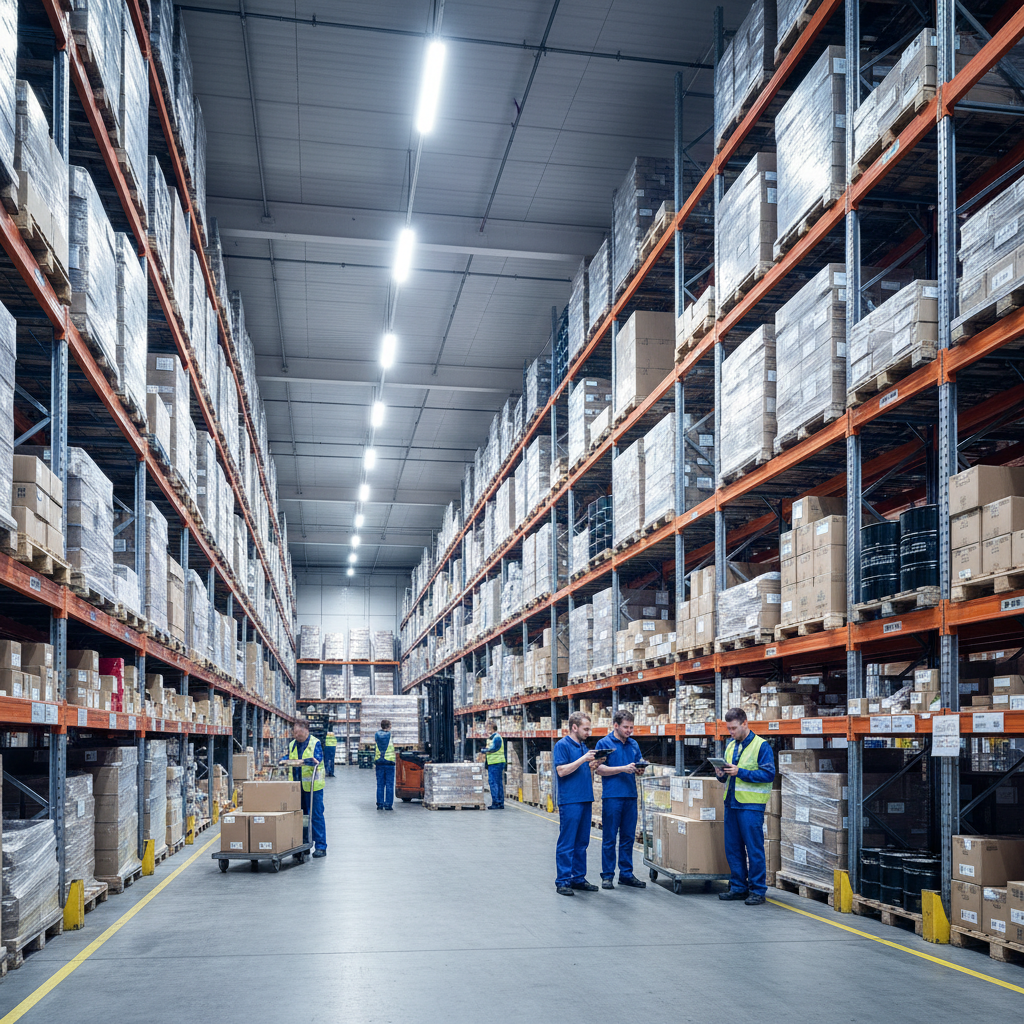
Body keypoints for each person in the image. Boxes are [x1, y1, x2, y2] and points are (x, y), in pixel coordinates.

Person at [714, 707, 775, 905]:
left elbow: (768, 775)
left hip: (751, 805)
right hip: (731, 803)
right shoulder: (731, 745)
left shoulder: (761, 746)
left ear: (745, 723)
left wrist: (740, 772)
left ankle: (758, 890)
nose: (730, 733)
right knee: (733, 847)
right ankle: (739, 886)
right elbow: (727, 777)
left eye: (733, 728)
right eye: (728, 729)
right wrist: (721, 774)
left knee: (753, 848)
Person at [595, 710, 646, 889]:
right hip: (613, 796)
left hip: (630, 796)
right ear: (615, 725)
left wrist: (640, 769)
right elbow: (599, 769)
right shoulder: (604, 743)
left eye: (631, 727)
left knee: (628, 837)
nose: (629, 730)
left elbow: (637, 764)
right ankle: (607, 875)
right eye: (626, 727)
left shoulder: (633, 744)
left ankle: (626, 873)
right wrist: (623, 768)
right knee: (609, 837)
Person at [553, 711, 599, 896]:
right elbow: (561, 771)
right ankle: (562, 881)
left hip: (585, 798)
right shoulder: (562, 745)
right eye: (585, 729)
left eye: (589, 729)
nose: (588, 732)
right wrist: (583, 759)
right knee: (567, 842)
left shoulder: (583, 746)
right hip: (570, 800)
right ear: (574, 727)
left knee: (582, 842)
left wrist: (593, 765)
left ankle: (578, 878)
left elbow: (581, 770)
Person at [286, 720, 327, 858]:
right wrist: (283, 760)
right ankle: (303, 845)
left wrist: (304, 761)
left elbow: (318, 759)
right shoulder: (292, 744)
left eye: (299, 732)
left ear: (306, 731)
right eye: (295, 732)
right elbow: (289, 757)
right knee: (300, 817)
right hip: (297, 787)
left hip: (313, 787)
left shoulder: (315, 743)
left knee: (315, 815)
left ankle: (321, 846)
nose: (296, 735)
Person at [483, 720, 506, 809]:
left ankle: (496, 802)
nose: (486, 730)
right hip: (494, 763)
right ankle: (499, 802)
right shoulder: (493, 738)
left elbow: (493, 748)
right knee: (498, 782)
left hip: (496, 763)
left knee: (494, 783)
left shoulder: (496, 737)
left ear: (491, 727)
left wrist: (484, 750)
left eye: (487, 727)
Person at [374, 718, 396, 810]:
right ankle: (388, 804)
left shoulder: (377, 735)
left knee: (380, 784)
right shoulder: (390, 735)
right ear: (389, 726)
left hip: (379, 762)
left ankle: (380, 804)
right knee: (389, 784)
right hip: (389, 763)